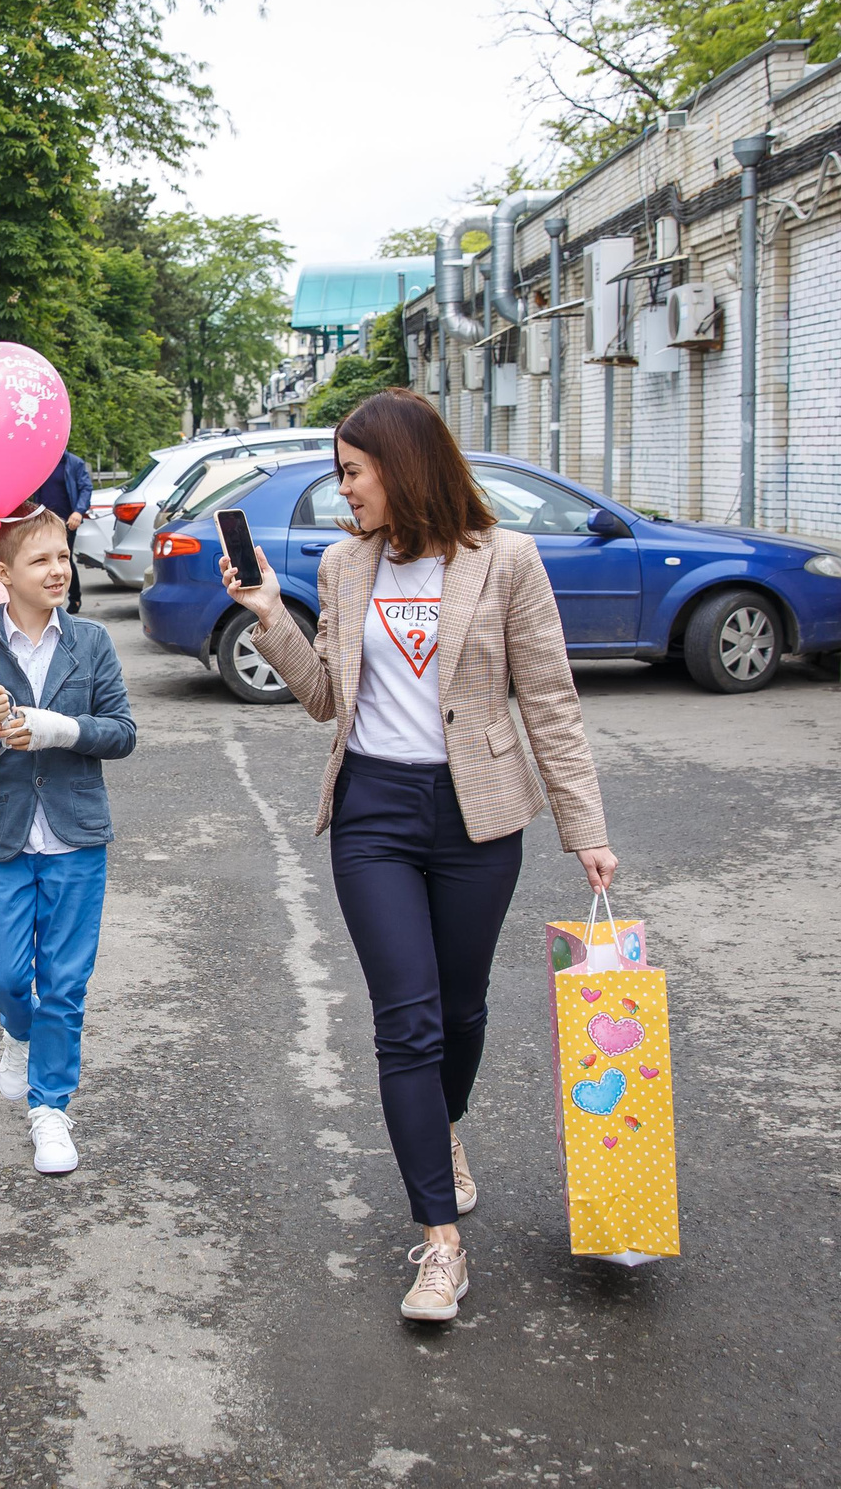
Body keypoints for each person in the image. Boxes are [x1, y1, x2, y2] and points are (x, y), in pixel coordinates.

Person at [219, 388, 615, 1324]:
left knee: (461, 1008)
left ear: (402, 465)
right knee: (406, 1019)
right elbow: (324, 698)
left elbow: (549, 699)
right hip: (374, 813)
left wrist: (585, 826)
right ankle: (440, 1243)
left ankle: (442, 1129)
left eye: (352, 471)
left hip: (478, 817)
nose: (342, 489)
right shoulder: (346, 565)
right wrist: (270, 615)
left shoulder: (506, 561)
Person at [0, 505, 136, 1175]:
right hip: (5, 834)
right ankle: (17, 1030)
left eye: (63, 556)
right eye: (40, 560)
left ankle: (51, 1108)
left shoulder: (91, 643)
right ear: (3, 573)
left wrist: (58, 727)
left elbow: (122, 732)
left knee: (65, 982)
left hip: (77, 836)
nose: (58, 570)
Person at [31, 449, 93, 615]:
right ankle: (47, 600)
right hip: (43, 522)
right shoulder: (41, 462)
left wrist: (78, 511)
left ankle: (75, 598)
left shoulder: (73, 462)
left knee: (64, 560)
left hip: (67, 522)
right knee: (43, 561)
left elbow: (86, 487)